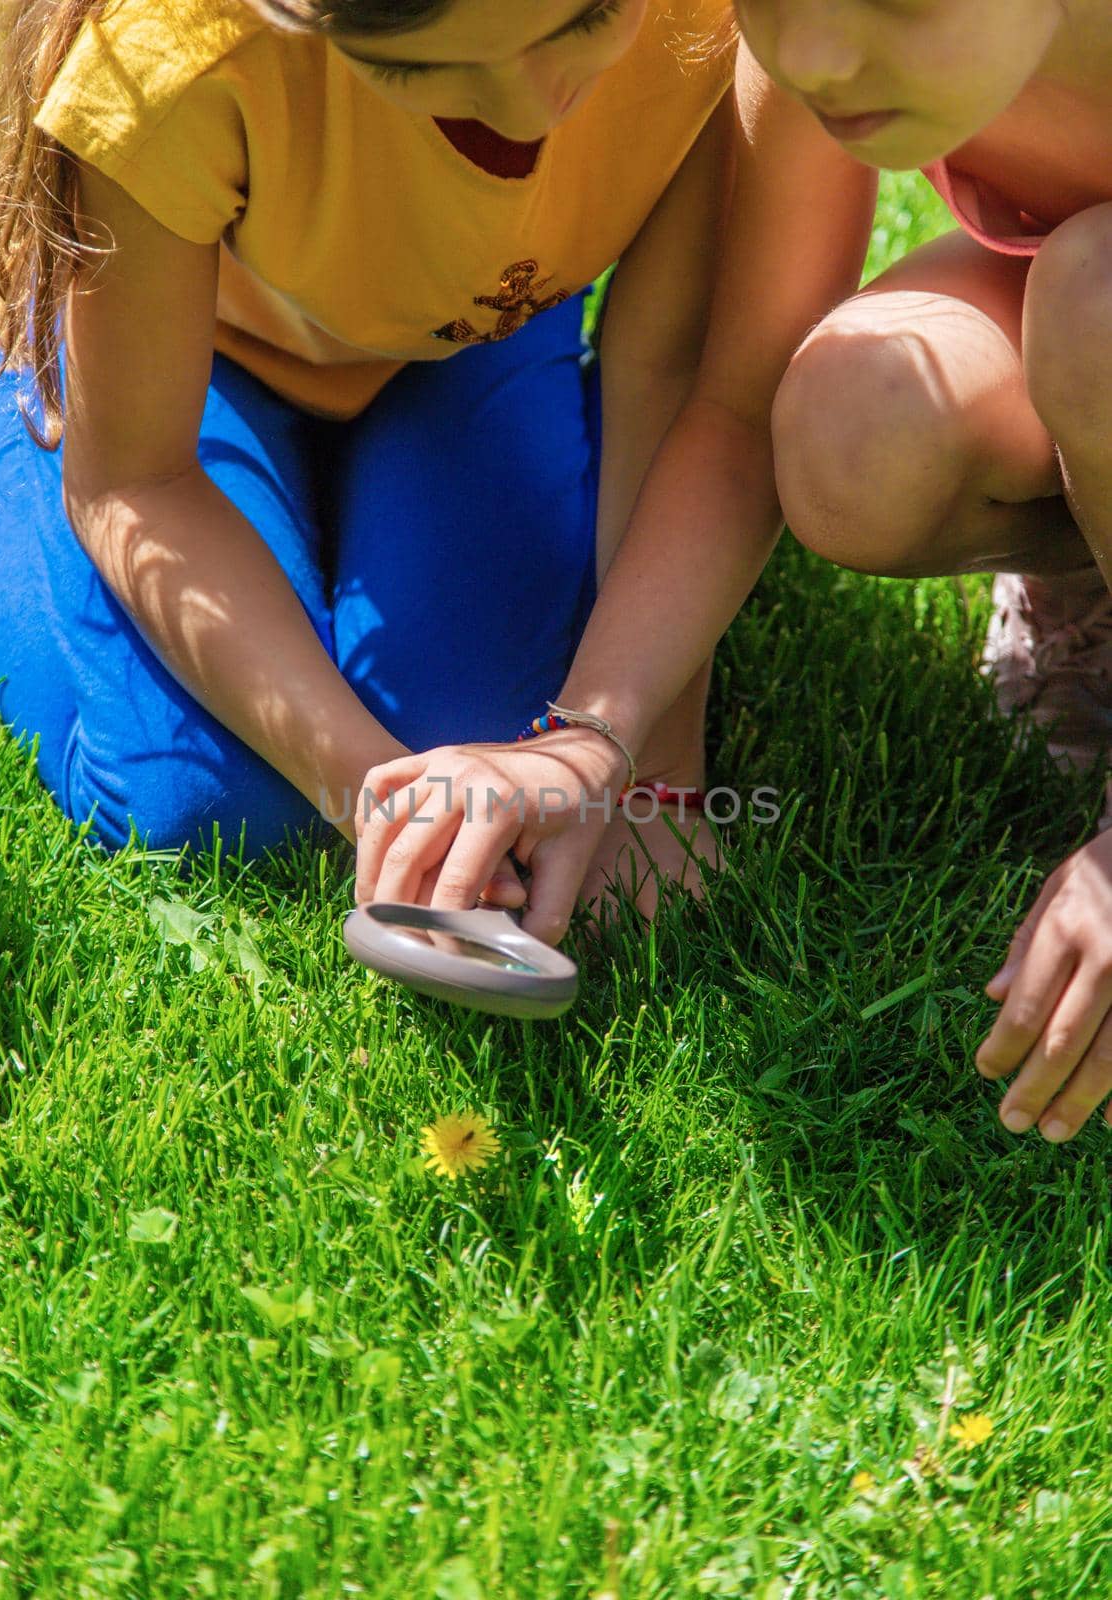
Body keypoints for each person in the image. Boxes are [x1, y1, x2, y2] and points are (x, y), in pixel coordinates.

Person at [358, 0, 1112, 1145]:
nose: (810, 54)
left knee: (1098, 301)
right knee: (859, 428)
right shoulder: (813, 40)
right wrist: (596, 740)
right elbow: (737, 397)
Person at [0, 0, 736, 916]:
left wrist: (650, 765)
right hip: (185, 342)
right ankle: (3, 392)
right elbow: (138, 481)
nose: (531, 108)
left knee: (483, 736)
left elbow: (671, 380)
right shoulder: (171, 59)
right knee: (203, 806)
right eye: (420, 71)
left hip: (471, 338)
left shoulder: (705, 20)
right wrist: (378, 791)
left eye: (586, 19)